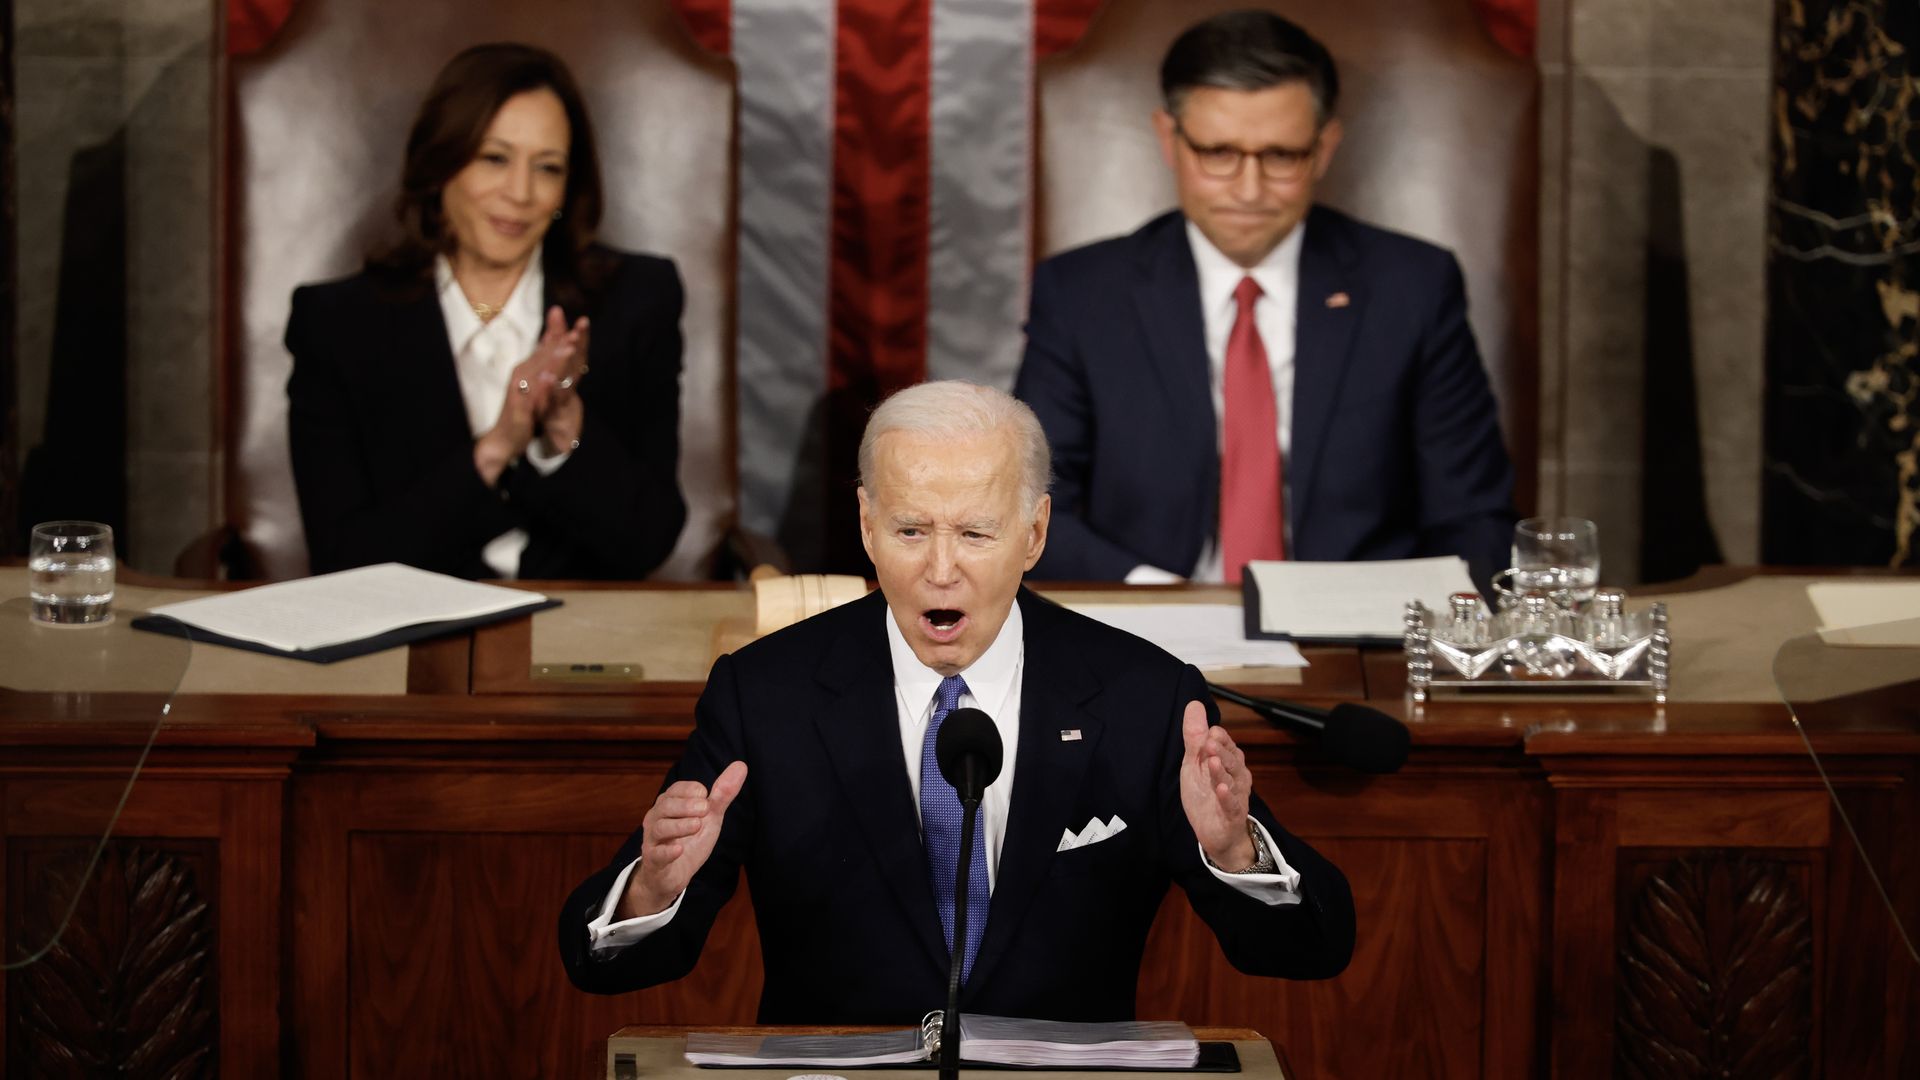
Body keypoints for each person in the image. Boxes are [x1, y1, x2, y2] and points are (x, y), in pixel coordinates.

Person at [559, 381, 1353, 1023]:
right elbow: (605, 965)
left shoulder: (1145, 696)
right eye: (910, 531)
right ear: (866, 526)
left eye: (975, 534)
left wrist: (1236, 853)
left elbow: (1310, 949)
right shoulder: (766, 693)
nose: (942, 570)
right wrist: (654, 889)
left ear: (1034, 533)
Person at [1014, 10, 1515, 588]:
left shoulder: (1414, 287)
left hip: (1358, 639)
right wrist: (1169, 601)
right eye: (1219, 153)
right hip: (1148, 629)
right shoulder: (1081, 295)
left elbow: (1473, 515)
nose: (1248, 190)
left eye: (1281, 156)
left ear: (1324, 148)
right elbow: (1033, 509)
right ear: (1168, 139)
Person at [286, 43, 685, 580]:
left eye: (547, 168)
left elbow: (649, 540)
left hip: (585, 639)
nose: (519, 193)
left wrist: (566, 434)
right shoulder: (337, 323)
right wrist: (495, 450)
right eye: (494, 158)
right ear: (440, 167)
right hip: (409, 638)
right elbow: (343, 560)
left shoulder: (637, 299)